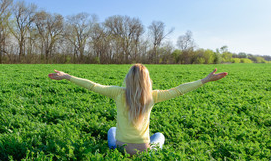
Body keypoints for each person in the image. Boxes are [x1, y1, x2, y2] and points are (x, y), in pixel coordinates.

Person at [48, 64, 227, 155]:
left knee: (112, 130)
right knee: (160, 136)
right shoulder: (153, 96)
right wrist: (204, 80)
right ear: (146, 81)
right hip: (144, 149)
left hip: (119, 147)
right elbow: (179, 90)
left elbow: (93, 86)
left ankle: (114, 150)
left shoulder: (118, 93)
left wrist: (67, 76)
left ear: (128, 79)